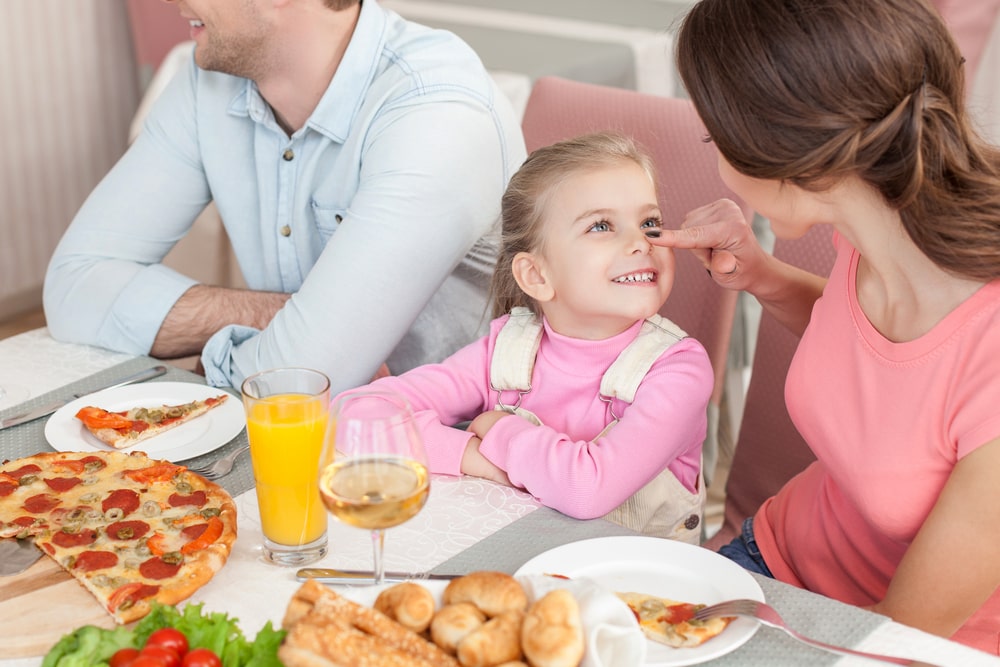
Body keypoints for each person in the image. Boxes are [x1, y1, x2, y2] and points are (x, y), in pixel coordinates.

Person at [655, 0, 1000, 652]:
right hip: (772, 560)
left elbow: (897, 636)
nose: (717, 165)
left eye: (716, 143)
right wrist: (761, 274)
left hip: (891, 639)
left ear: (795, 167)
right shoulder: (884, 217)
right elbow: (883, 362)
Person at [42, 0, 526, 392]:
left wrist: (218, 358)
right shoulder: (208, 80)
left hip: (455, 460)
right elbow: (71, 289)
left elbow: (298, 381)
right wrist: (279, 318)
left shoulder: (437, 112)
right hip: (291, 439)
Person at [334, 132, 714, 541]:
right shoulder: (506, 352)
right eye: (602, 226)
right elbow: (352, 413)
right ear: (536, 275)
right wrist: (473, 457)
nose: (640, 242)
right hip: (522, 569)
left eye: (649, 223)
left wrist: (501, 431)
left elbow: (587, 489)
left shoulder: (680, 371)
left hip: (644, 592)